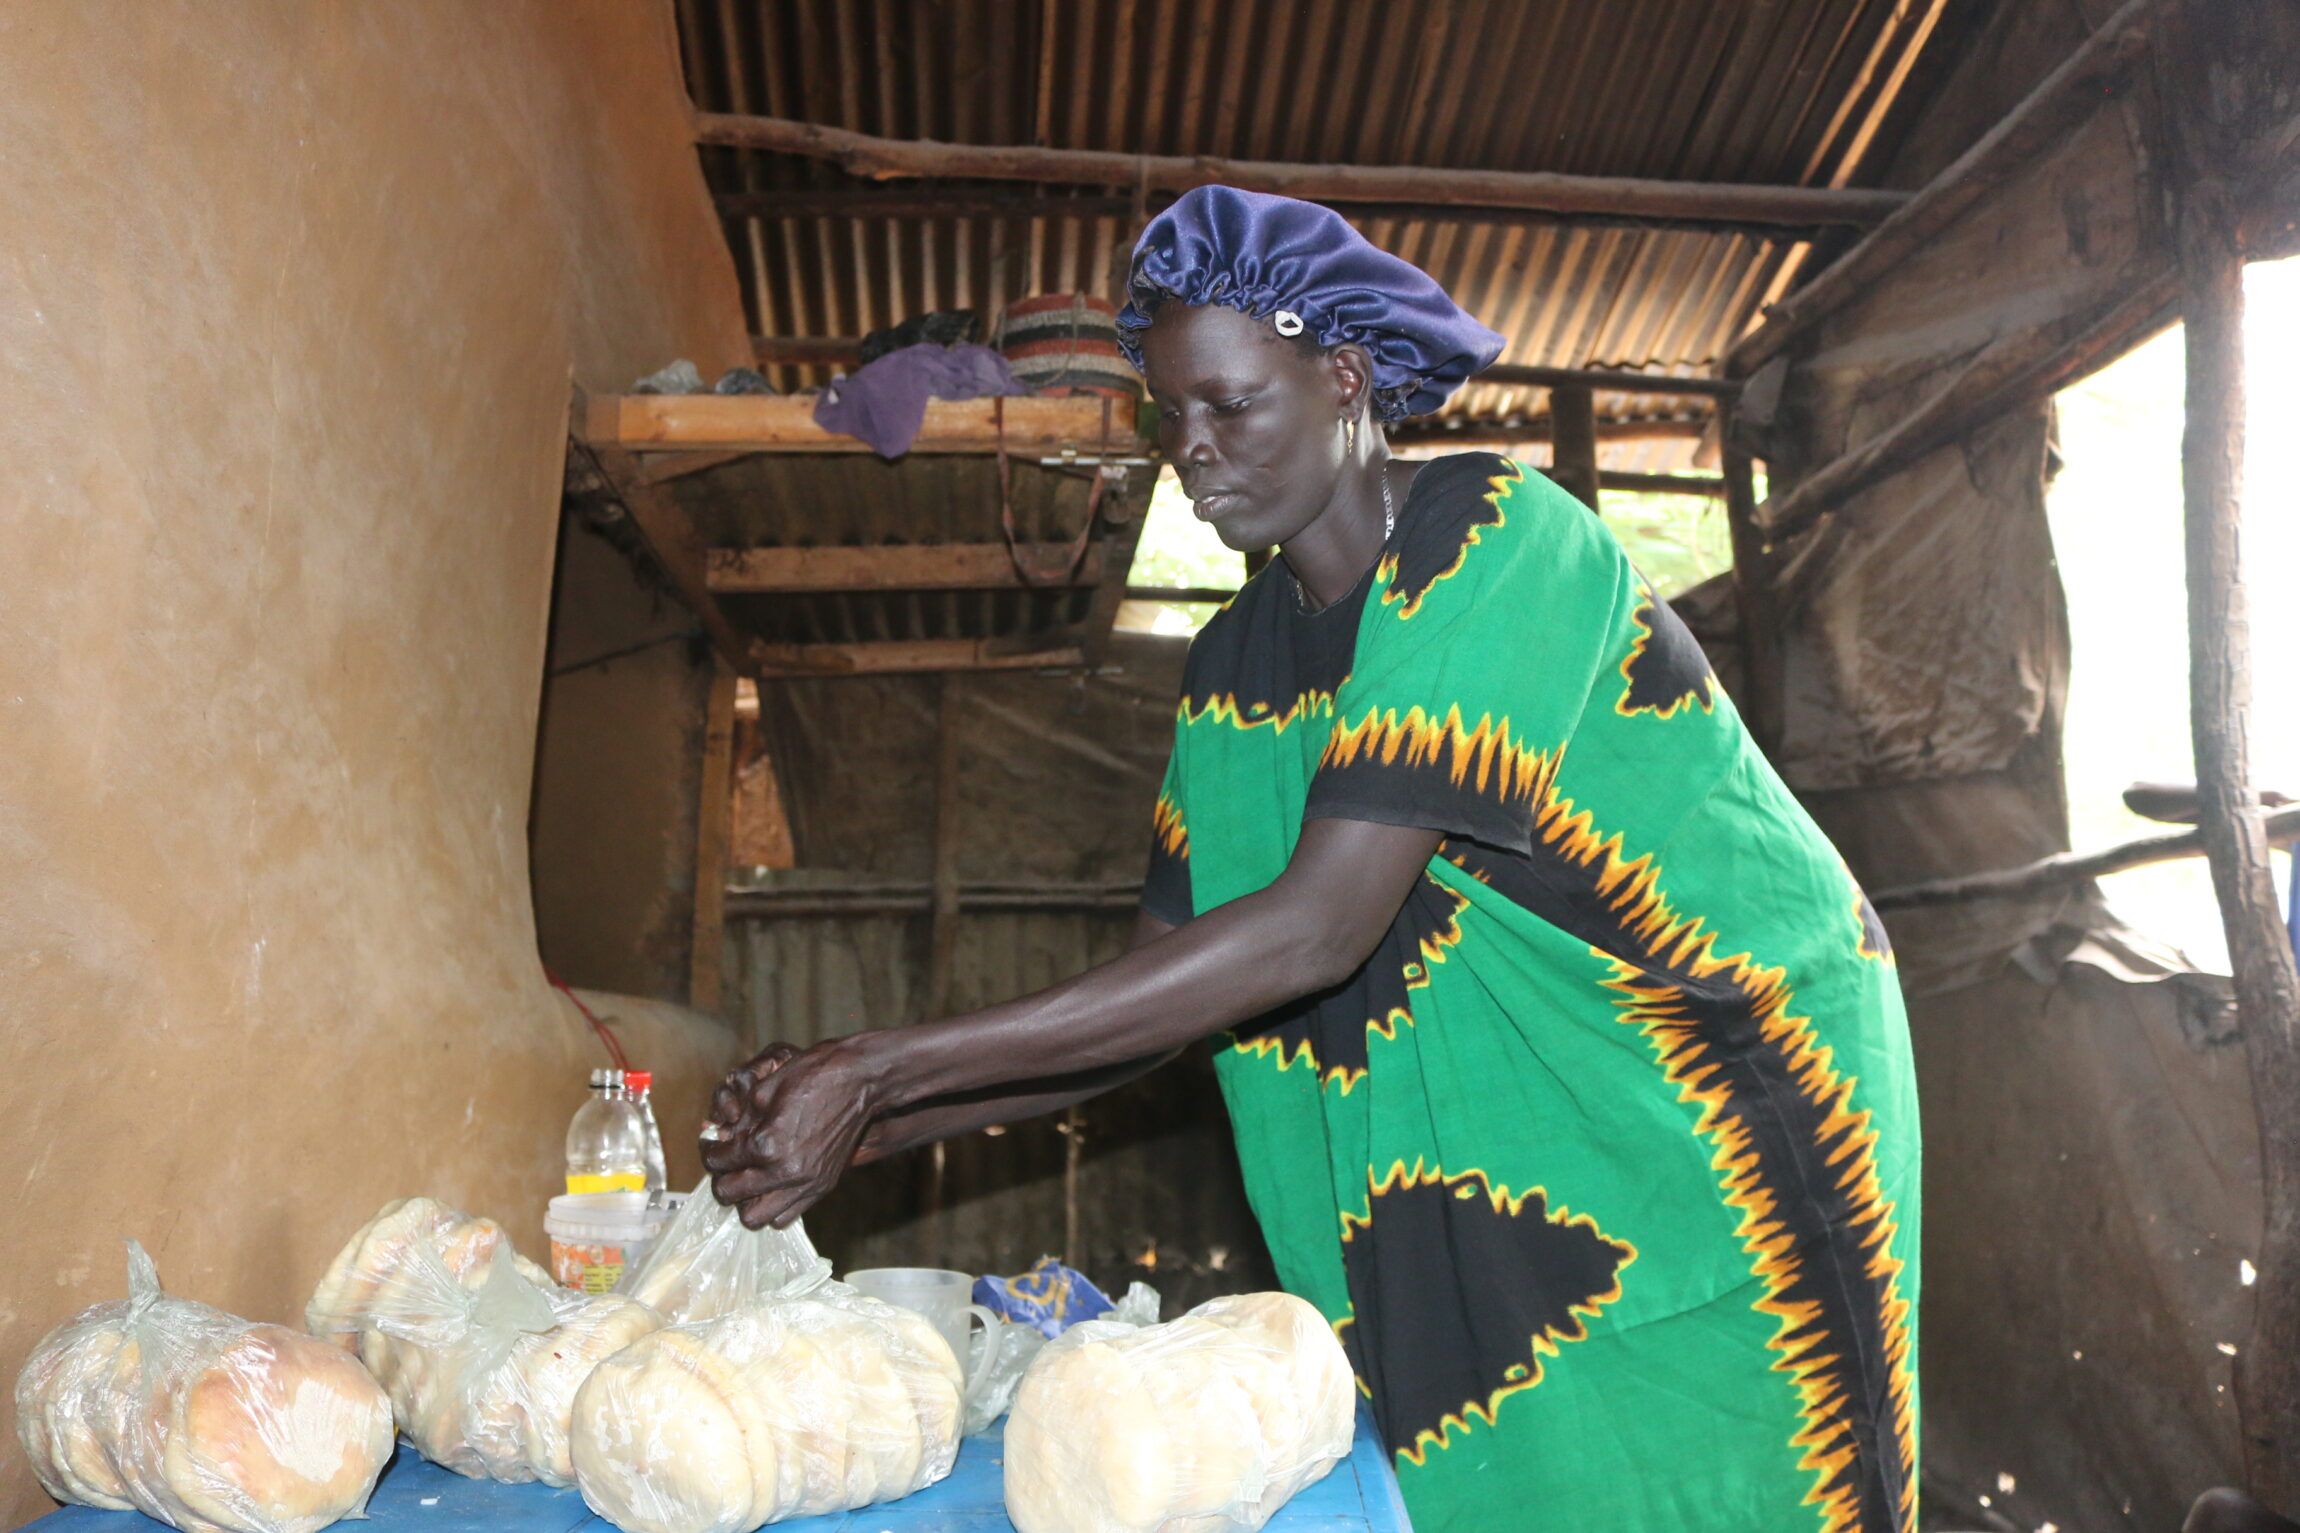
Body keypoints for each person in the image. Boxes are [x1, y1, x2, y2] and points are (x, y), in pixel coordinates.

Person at [703, 184, 1921, 1533]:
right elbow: (1165, 1000)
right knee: (1498, 1451)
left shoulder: (1501, 542)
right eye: (1171, 415)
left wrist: (874, 1063)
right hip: (1514, 1125)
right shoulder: (1235, 668)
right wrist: (864, 1128)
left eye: (1230, 405)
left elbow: (1315, 932)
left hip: (1707, 1079)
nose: (1195, 451)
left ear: (1344, 378)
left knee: (1702, 1448)